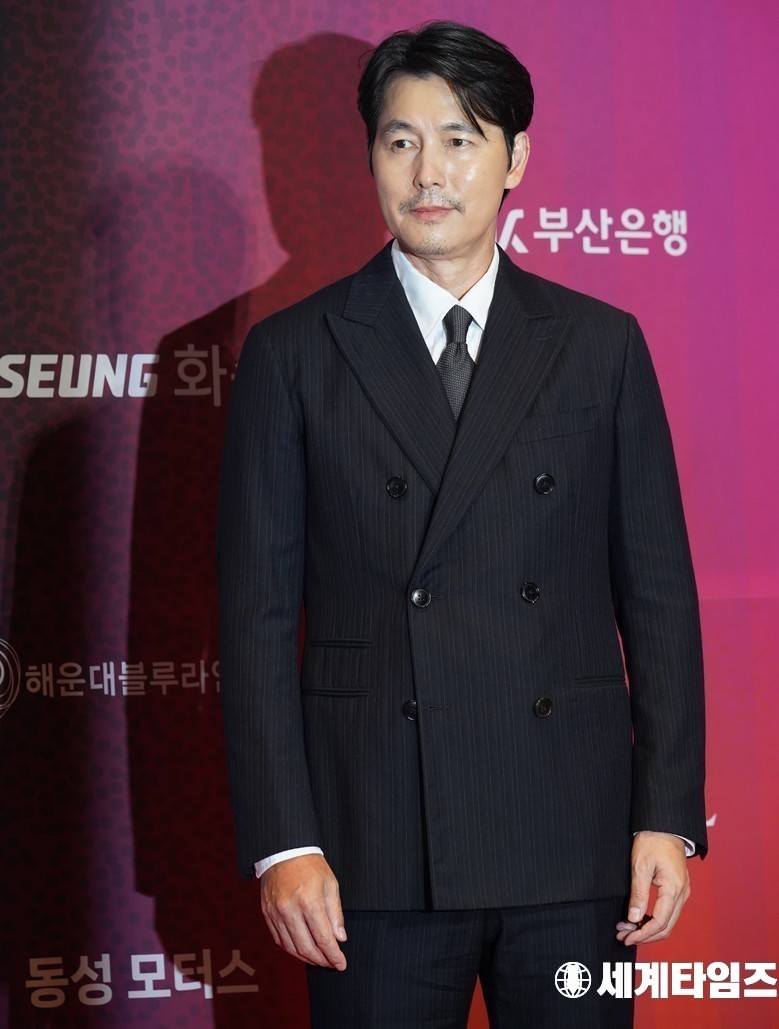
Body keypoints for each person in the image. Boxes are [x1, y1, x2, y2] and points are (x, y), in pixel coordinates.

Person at [217, 21, 706, 1028]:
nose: (427, 172)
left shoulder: (599, 346)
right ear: (370, 156)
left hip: (571, 842)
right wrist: (283, 841)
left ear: (514, 158)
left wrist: (665, 814)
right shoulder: (294, 354)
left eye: (458, 139)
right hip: (370, 846)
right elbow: (255, 619)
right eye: (400, 141)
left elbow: (656, 598)